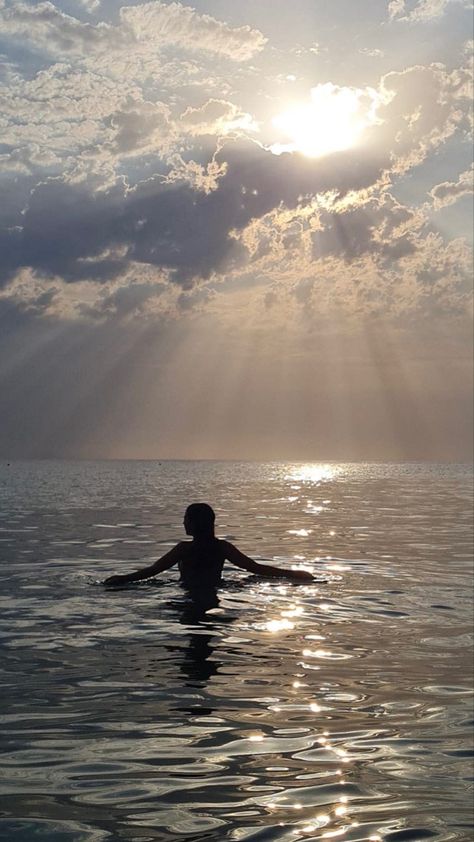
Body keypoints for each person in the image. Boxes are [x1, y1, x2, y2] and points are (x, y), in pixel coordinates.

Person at [104, 503, 314, 588]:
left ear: (195, 523)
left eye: (186, 518)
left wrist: (120, 579)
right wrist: (294, 573)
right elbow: (257, 569)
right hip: (215, 591)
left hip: (187, 591)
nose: (183, 522)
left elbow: (152, 572)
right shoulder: (222, 547)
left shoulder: (184, 549)